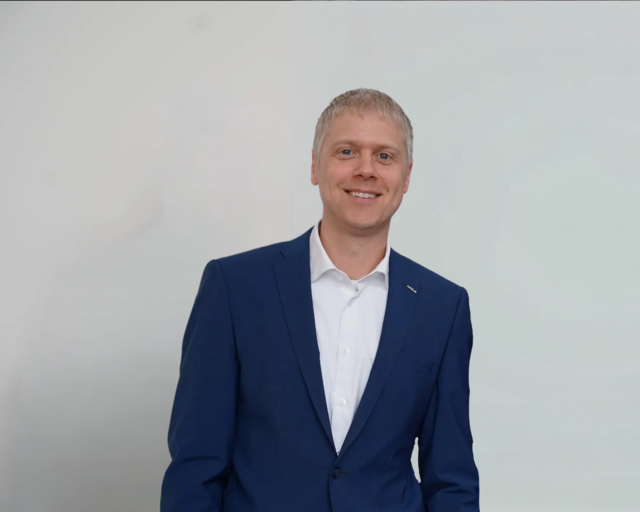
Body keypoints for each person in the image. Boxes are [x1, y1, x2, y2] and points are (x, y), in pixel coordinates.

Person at [160, 88, 480, 512]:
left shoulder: (442, 307)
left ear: (406, 177)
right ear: (315, 166)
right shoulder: (235, 288)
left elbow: (452, 481)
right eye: (346, 151)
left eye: (384, 156)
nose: (366, 170)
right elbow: (195, 469)